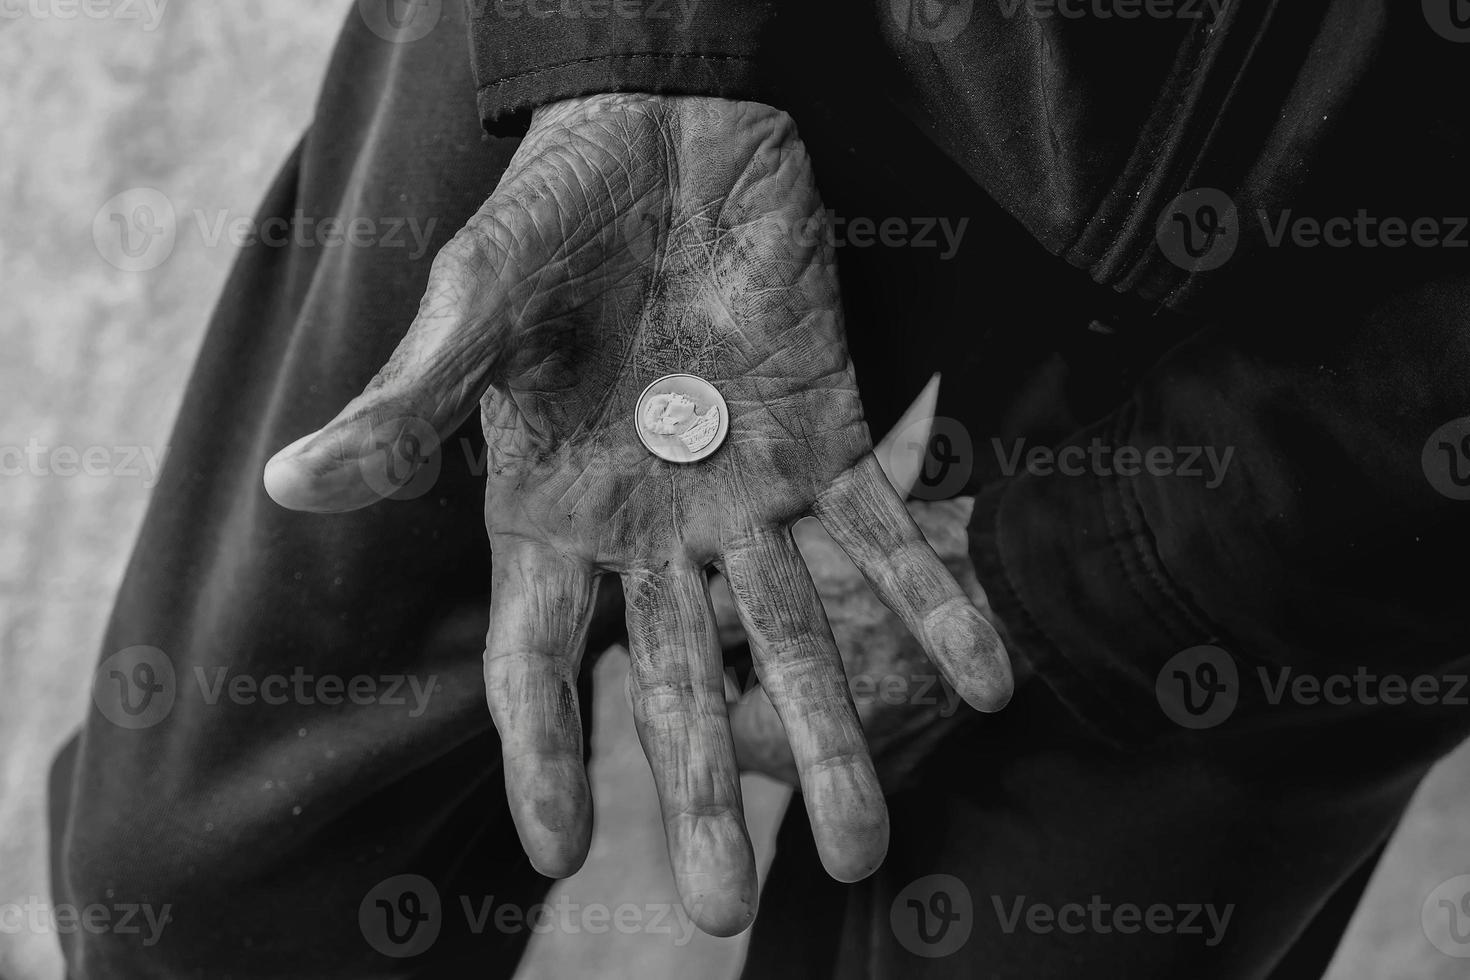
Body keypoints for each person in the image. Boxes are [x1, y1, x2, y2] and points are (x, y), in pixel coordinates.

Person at [52, 2, 1470, 977]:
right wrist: (620, 43)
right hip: (729, 49)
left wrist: (1123, 559)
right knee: (208, 885)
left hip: (1381, 346)